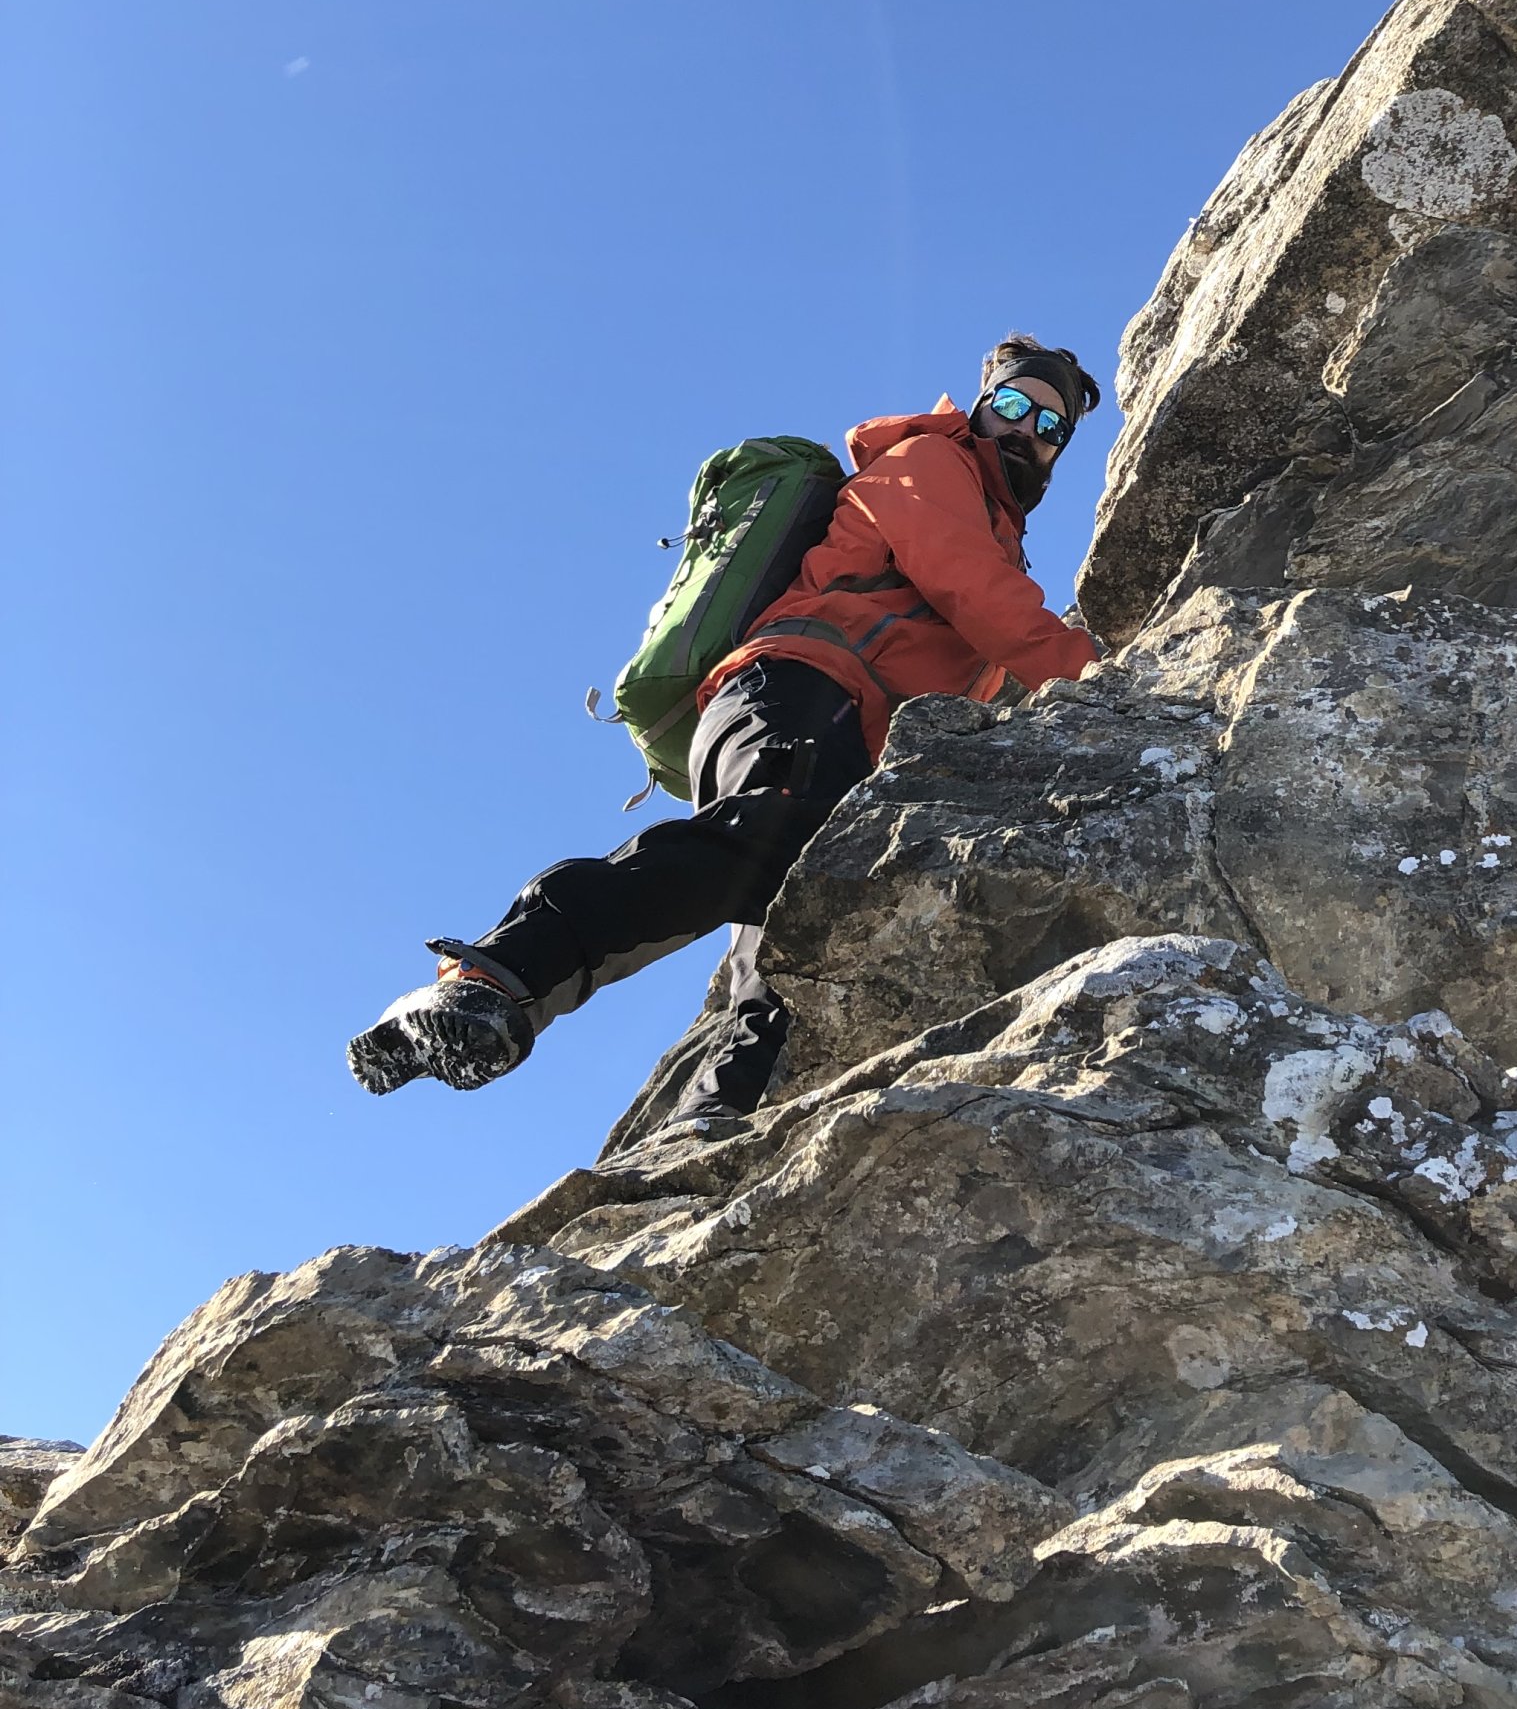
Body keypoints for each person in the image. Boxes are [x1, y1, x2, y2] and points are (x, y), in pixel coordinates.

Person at [347, 337, 1103, 1132]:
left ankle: (707, 1125)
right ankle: (492, 976)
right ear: (980, 407)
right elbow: (974, 589)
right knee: (769, 837)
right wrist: (1102, 677)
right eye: (1012, 405)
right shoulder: (929, 462)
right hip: (803, 688)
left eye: (1050, 426)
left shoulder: (997, 532)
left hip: (834, 732)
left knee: (791, 941)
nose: (1026, 430)